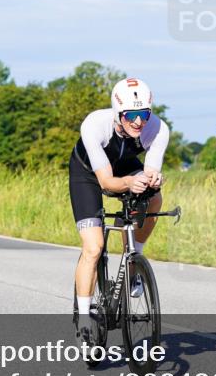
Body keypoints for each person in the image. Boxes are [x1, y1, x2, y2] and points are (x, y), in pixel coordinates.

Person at [69, 78, 169, 344]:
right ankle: (84, 316)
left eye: (144, 115)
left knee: (155, 197)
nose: (139, 122)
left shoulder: (158, 129)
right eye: (131, 116)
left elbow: (150, 170)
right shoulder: (94, 125)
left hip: (125, 166)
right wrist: (128, 183)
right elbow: (106, 182)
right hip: (89, 174)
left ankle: (136, 258)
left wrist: (152, 180)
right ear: (118, 113)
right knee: (93, 247)